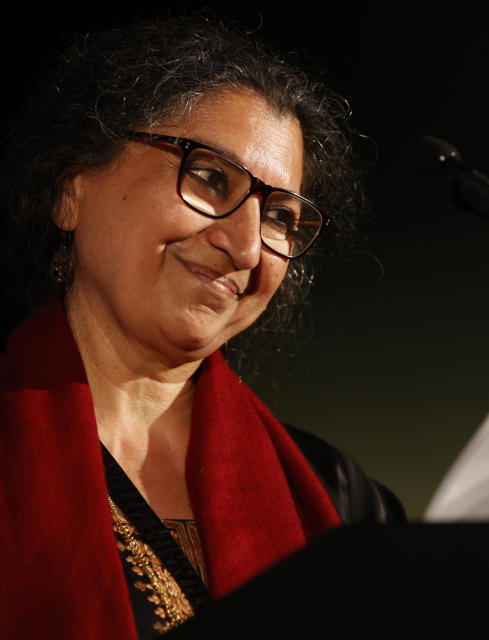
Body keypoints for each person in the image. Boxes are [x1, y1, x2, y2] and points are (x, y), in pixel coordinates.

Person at [0, 13, 404, 639]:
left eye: (279, 216)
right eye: (212, 178)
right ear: (71, 187)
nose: (245, 246)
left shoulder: (338, 498)